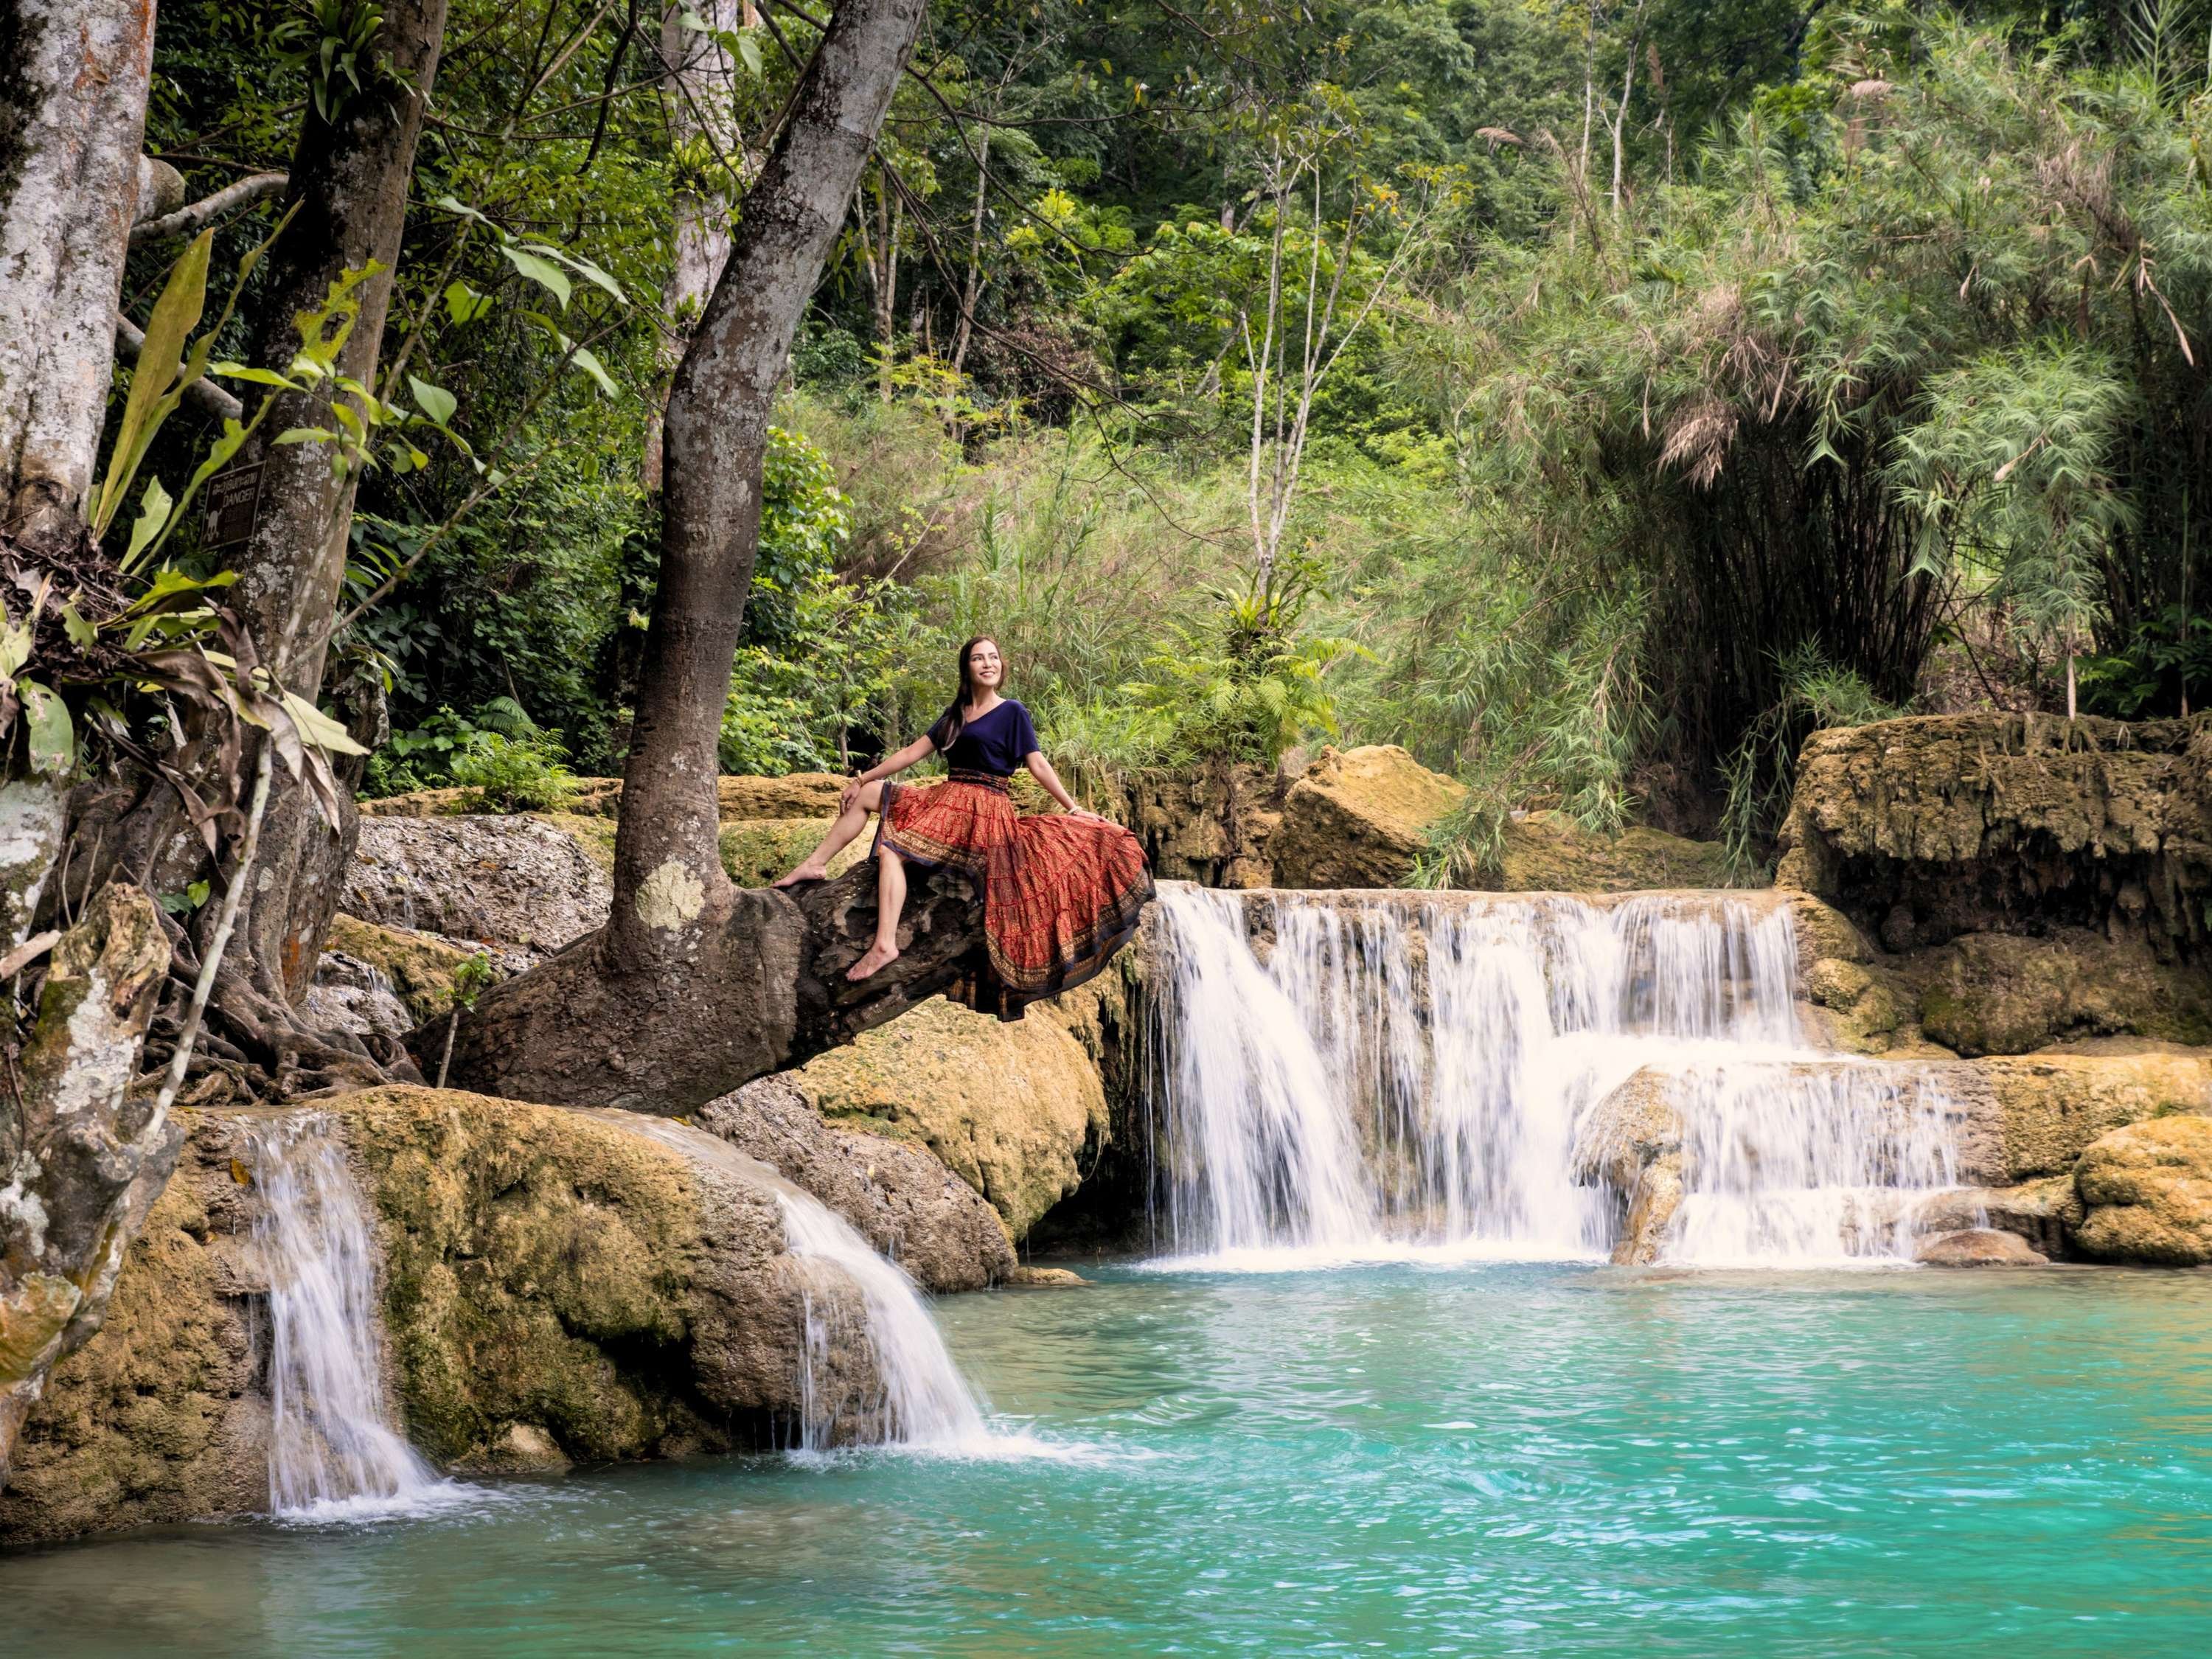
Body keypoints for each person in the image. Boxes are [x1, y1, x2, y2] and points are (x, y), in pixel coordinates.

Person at [773, 636, 1155, 1017]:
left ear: (1001, 667)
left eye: (993, 658)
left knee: (893, 850)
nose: (988, 664)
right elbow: (911, 753)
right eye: (978, 658)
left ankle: (884, 945)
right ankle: (815, 864)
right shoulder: (957, 713)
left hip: (985, 808)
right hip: (948, 798)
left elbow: (1037, 764)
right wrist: (861, 778)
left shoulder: (1013, 713)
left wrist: (1073, 809)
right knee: (869, 794)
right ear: (967, 667)